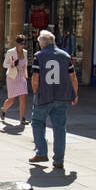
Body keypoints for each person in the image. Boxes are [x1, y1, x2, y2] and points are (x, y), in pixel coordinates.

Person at [26, 30, 79, 172]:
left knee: (37, 122)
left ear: (42, 43)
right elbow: (73, 76)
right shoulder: (65, 55)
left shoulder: (39, 56)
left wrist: (36, 92)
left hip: (44, 95)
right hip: (61, 96)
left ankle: (41, 152)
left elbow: (35, 78)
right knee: (60, 128)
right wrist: (75, 94)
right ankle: (59, 160)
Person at [1, 35, 30, 124]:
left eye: (24, 43)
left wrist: (26, 74)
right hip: (12, 77)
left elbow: (25, 64)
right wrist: (11, 65)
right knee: (11, 100)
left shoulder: (25, 52)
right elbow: (4, 64)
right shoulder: (10, 52)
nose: (23, 45)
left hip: (21, 76)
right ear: (17, 44)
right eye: (21, 43)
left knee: (23, 97)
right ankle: (3, 110)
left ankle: (22, 119)